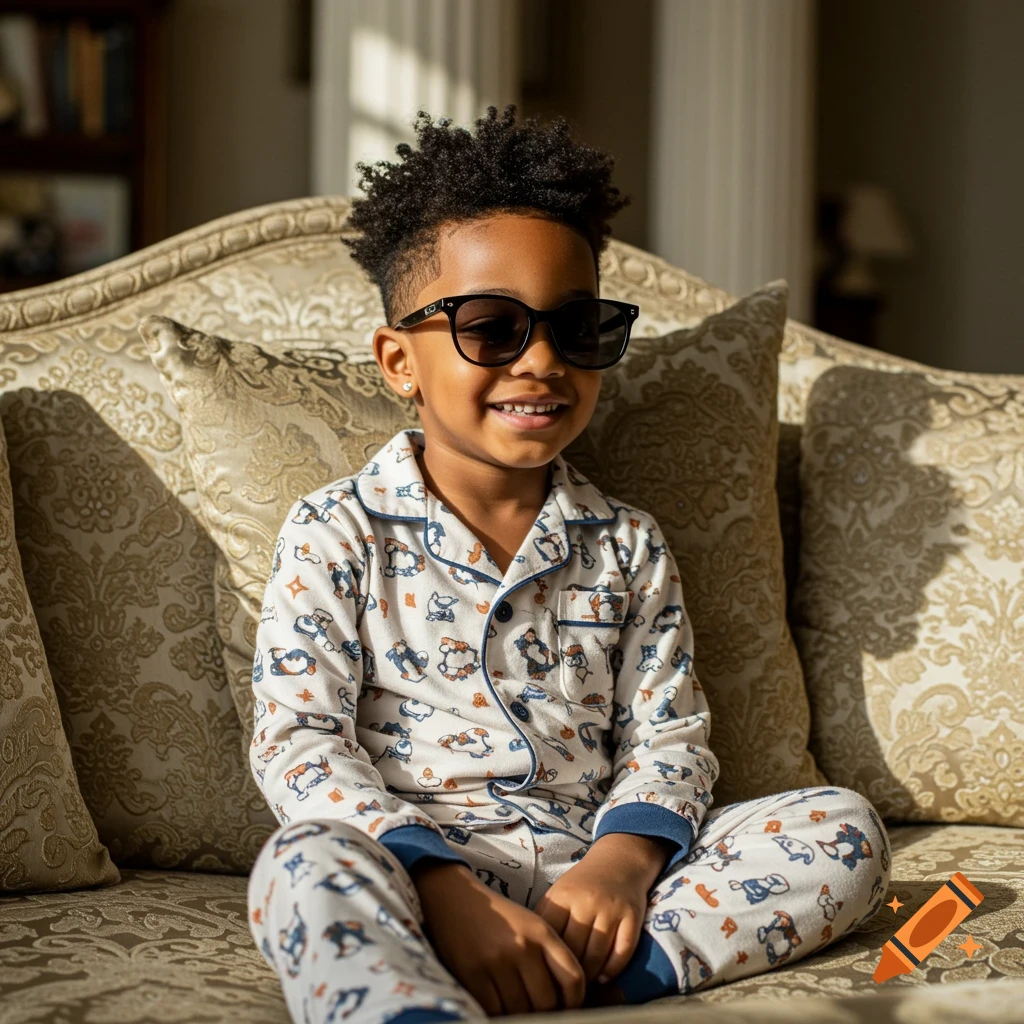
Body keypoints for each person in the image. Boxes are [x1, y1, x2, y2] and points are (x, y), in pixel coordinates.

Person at [246, 105, 891, 1024]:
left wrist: (621, 867)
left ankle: (578, 977)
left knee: (843, 828)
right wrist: (441, 889)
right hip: (409, 884)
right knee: (299, 868)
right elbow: (299, 741)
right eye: (491, 327)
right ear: (400, 361)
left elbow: (668, 739)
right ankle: (414, 1003)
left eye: (575, 327)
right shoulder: (336, 531)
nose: (542, 361)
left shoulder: (626, 544)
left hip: (598, 893)